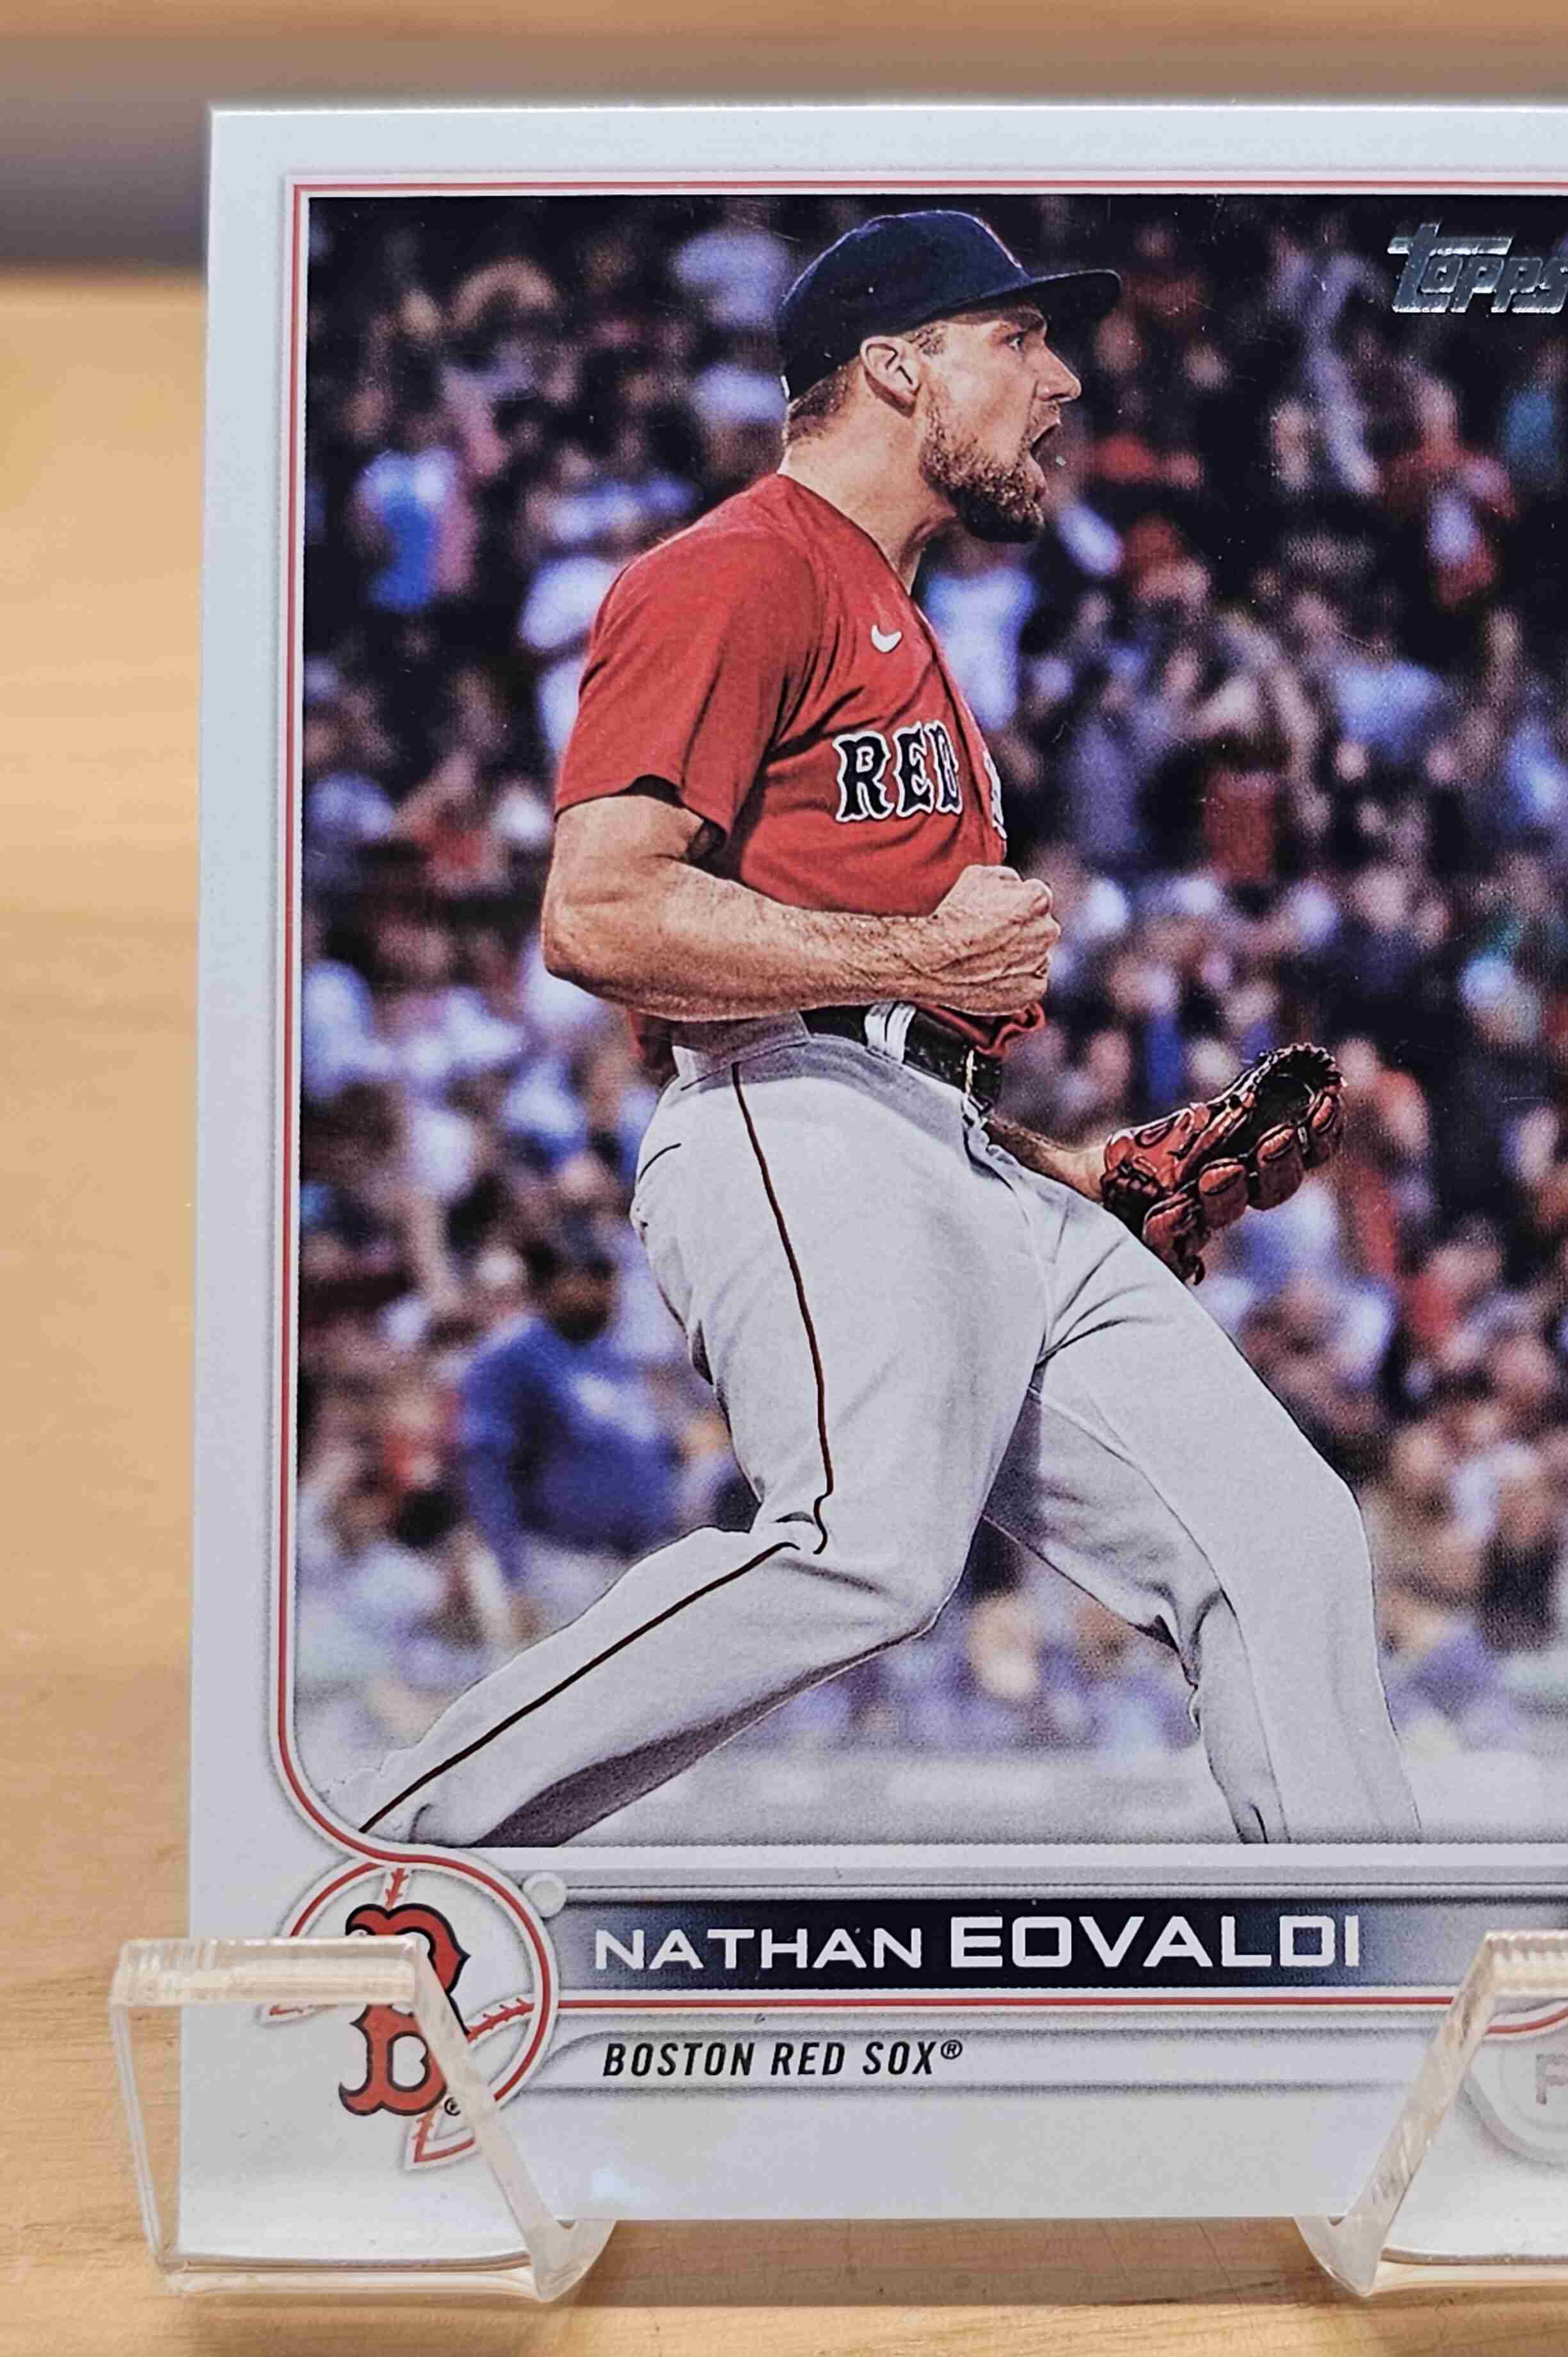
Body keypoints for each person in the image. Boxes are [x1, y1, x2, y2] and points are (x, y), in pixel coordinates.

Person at [354, 210, 1421, 1851]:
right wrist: (922, 951)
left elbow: (903, 1004)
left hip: (961, 1152)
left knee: (1281, 1534)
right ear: (896, 367)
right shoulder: (738, 570)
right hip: (792, 1109)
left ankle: (1368, 1952)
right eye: (1018, 340)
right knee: (864, 1547)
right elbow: (598, 912)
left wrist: (1067, 1167)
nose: (1061, 382)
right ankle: (398, 1862)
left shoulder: (902, 627)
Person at [458, 1224, 684, 1639]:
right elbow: (487, 1471)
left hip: (637, 1563)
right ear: (547, 1283)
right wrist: (512, 1577)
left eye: (607, 1276)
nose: (604, 1290)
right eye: (588, 1276)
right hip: (559, 1565)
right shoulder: (511, 1357)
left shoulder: (612, 1356)